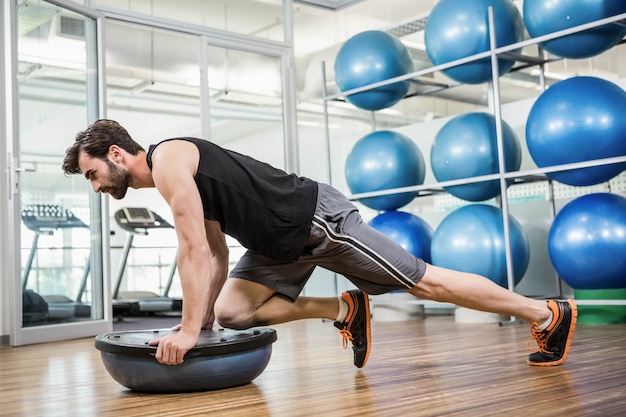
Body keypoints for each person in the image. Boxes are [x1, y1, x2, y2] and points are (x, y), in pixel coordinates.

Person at [62, 119, 577, 368]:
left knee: (427, 283)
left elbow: (194, 250)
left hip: (316, 220)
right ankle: (343, 308)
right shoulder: (178, 177)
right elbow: (215, 252)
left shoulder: (171, 159)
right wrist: (206, 320)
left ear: (116, 153)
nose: (96, 186)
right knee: (237, 312)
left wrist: (192, 332)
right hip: (277, 245)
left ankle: (545, 313)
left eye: (92, 174)